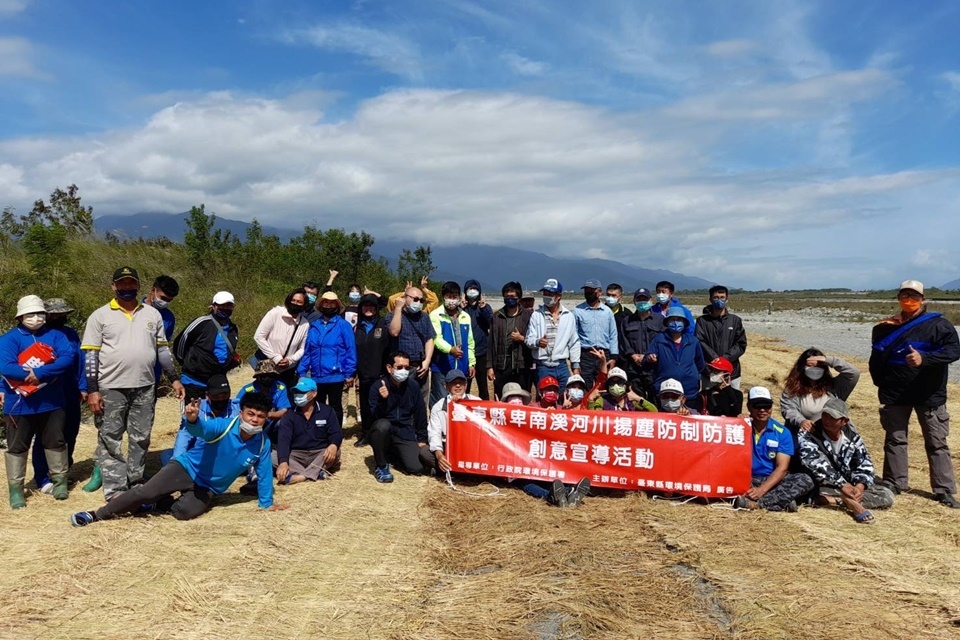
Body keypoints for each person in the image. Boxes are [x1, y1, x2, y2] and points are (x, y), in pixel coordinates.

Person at [70, 392, 286, 526]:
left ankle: (155, 504)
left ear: (266, 418)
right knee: (145, 491)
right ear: (241, 413)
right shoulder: (224, 425)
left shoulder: (262, 443)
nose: (255, 420)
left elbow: (265, 473)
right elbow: (203, 430)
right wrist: (192, 419)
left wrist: (266, 503)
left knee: (184, 513)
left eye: (260, 416)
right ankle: (97, 515)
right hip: (186, 468)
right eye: (251, 414)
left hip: (209, 487)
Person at [81, 267, 185, 500]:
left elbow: (162, 350)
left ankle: (135, 480)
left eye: (131, 284)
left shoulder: (152, 315)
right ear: (113, 286)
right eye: (122, 284)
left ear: (139, 286)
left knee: (141, 436)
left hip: (145, 386)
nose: (127, 288)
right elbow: (90, 356)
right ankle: (116, 490)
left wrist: (174, 378)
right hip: (111, 387)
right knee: (111, 437)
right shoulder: (100, 316)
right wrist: (92, 390)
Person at [870, 279, 960, 508]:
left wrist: (925, 359)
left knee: (937, 442)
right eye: (904, 296)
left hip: (929, 394)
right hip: (895, 394)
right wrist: (880, 383)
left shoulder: (940, 326)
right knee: (895, 439)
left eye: (914, 296)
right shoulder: (884, 327)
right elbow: (877, 359)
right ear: (899, 299)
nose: (908, 300)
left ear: (923, 300)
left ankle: (944, 490)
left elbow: (953, 351)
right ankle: (894, 482)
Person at [1, 296, 75, 508]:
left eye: (40, 313)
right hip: (18, 403)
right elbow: (5, 366)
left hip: (51, 401)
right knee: (17, 446)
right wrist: (28, 376)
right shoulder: (9, 339)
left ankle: (59, 482)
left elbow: (67, 358)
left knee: (56, 441)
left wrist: (40, 373)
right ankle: (16, 490)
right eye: (30, 314)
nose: (36, 318)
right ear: (21, 316)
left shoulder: (56, 335)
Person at [799, 397, 894, 524]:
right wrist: (843, 485)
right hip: (819, 484)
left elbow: (865, 464)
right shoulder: (808, 434)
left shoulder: (852, 436)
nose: (827, 420)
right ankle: (849, 502)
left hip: (845, 487)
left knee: (886, 495)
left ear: (844, 421)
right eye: (825, 415)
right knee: (803, 486)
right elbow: (814, 464)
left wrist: (859, 487)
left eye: (832, 417)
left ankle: (838, 500)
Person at [30, 298, 86, 494]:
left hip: (70, 391)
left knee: (70, 432)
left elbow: (80, 360)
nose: (61, 317)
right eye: (56, 314)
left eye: (63, 314)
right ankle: (42, 477)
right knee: (45, 434)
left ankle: (62, 472)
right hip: (46, 393)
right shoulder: (36, 335)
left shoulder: (70, 334)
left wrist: (83, 386)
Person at [734, 387, 814, 512]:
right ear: (749, 406)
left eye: (766, 406)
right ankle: (781, 501)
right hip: (745, 477)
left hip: (770, 479)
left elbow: (782, 468)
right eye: (757, 405)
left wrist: (762, 490)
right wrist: (735, 423)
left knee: (805, 479)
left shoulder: (782, 432)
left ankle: (758, 503)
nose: (762, 410)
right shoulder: (738, 426)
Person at [297, 291, 357, 428]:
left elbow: (350, 350)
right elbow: (308, 351)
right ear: (321, 305)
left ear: (336, 306)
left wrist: (349, 373)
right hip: (317, 376)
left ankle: (335, 434)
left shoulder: (343, 325)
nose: (328, 306)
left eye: (332, 304)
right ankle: (320, 433)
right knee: (318, 406)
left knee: (335, 406)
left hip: (336, 375)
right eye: (326, 303)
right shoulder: (314, 326)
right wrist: (302, 372)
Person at [368, 351, 429, 482]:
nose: (404, 371)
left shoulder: (413, 386)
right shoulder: (378, 386)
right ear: (389, 368)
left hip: (404, 432)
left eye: (407, 368)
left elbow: (420, 413)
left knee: (416, 468)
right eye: (399, 367)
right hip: (384, 431)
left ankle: (394, 456)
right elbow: (374, 416)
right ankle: (382, 465)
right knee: (382, 426)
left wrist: (422, 438)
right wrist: (382, 400)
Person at [173, 291, 240, 402]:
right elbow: (180, 344)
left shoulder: (233, 329)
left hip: (216, 383)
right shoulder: (202, 323)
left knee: (217, 415)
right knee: (193, 416)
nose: (225, 308)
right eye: (221, 305)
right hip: (194, 381)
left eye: (229, 305)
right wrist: (189, 364)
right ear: (213, 306)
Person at [274, 378, 343, 483]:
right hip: (296, 455)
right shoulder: (289, 415)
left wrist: (333, 445)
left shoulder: (327, 411)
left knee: (336, 451)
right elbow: (284, 440)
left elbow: (336, 433)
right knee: (272, 456)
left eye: (302, 392)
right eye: (296, 392)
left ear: (314, 393)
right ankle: (315, 473)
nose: (298, 395)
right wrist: (283, 462)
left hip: (319, 453)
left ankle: (301, 476)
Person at [161, 374, 240, 465]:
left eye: (224, 395)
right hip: (201, 455)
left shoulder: (238, 409)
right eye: (216, 396)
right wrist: (177, 463)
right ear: (207, 395)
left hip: (228, 456)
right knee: (167, 454)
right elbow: (184, 437)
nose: (220, 399)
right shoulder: (196, 410)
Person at [780, 348, 860, 433]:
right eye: (810, 366)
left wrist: (829, 360)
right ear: (802, 367)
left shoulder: (835, 387)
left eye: (818, 366)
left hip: (836, 434)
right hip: (807, 434)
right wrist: (801, 421)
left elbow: (853, 373)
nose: (814, 369)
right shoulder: (792, 389)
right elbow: (789, 410)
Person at [525, 278, 581, 393]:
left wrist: (575, 365)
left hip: (561, 365)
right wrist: (537, 342)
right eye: (545, 293)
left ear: (558, 296)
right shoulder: (537, 315)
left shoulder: (568, 316)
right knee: (546, 398)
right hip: (543, 365)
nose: (547, 296)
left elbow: (574, 342)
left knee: (566, 395)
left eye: (550, 294)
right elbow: (528, 339)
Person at [645, 307, 705, 412]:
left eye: (679, 320)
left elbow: (700, 364)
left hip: (689, 392)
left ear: (684, 323)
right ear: (667, 322)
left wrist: (692, 375)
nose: (676, 323)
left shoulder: (693, 341)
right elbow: (646, 360)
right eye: (672, 320)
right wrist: (650, 358)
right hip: (665, 393)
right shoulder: (659, 339)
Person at [386, 285, 436, 406]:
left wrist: (427, 360)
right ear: (405, 297)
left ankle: (421, 423)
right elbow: (394, 331)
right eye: (415, 299)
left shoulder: (424, 316)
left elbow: (429, 339)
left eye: (421, 300)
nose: (418, 303)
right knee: (402, 399)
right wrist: (398, 308)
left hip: (420, 365)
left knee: (422, 399)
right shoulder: (392, 315)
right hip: (402, 367)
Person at [253, 287, 310, 391]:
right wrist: (275, 357)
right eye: (293, 300)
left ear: (304, 305)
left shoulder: (304, 324)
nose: (295, 303)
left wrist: (290, 360)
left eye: (299, 302)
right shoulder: (275, 313)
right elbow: (259, 337)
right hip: (267, 367)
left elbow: (302, 348)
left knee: (283, 396)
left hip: (288, 369)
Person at [423, 369, 480, 473]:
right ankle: (448, 467)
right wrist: (439, 455)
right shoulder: (438, 406)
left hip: (470, 447)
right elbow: (434, 433)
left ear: (466, 385)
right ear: (446, 386)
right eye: (453, 383)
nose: (458, 385)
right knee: (425, 453)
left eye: (461, 382)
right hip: (448, 447)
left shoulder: (477, 402)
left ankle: (452, 470)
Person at [429, 281, 476, 406]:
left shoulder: (465, 316)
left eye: (455, 297)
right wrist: (450, 350)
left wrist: (471, 362)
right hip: (442, 367)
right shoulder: (435, 315)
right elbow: (436, 339)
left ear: (459, 298)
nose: (452, 300)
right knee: (441, 403)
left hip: (461, 367)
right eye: (449, 296)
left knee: (461, 404)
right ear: (443, 297)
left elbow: (470, 342)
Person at [354, 293, 391, 447]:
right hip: (363, 374)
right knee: (365, 405)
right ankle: (366, 434)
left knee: (380, 405)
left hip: (380, 374)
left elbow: (389, 349)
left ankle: (380, 434)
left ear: (376, 308)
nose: (368, 309)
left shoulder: (384, 324)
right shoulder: (357, 327)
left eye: (371, 306)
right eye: (365, 306)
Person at [487, 281, 533, 400]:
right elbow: (491, 342)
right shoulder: (497, 316)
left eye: (512, 296)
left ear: (519, 298)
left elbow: (533, 340)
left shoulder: (528, 316)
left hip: (522, 364)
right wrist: (490, 366)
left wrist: (522, 339)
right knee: (501, 398)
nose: (509, 299)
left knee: (522, 397)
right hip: (501, 364)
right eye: (507, 297)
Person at [695, 286, 747, 390]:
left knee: (732, 401)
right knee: (710, 402)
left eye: (722, 297)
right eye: (716, 297)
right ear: (710, 299)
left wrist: (725, 359)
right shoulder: (702, 321)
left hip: (732, 371)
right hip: (710, 370)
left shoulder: (735, 321)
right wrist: (715, 359)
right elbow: (699, 341)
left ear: (727, 299)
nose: (719, 300)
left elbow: (741, 344)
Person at [617, 287, 663, 398]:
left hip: (654, 368)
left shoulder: (660, 320)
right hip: (634, 369)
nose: (642, 302)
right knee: (636, 399)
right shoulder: (627, 321)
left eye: (645, 299)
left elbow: (663, 341)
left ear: (651, 301)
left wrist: (650, 356)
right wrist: (633, 355)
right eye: (639, 300)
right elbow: (623, 341)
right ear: (634, 302)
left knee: (656, 398)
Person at [573, 278, 618, 389]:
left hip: (603, 354)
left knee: (604, 386)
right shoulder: (577, 311)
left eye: (591, 290)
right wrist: (575, 361)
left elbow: (613, 335)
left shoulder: (607, 312)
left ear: (599, 292)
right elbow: (574, 336)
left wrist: (613, 357)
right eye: (586, 290)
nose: (588, 293)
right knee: (585, 387)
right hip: (586, 355)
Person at [238, 361, 292, 436]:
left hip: (270, 423)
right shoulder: (247, 390)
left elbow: (283, 410)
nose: (267, 378)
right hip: (250, 424)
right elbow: (236, 410)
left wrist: (266, 415)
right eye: (264, 376)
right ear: (258, 377)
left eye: (270, 376)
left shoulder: (280, 387)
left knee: (285, 421)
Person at [462, 279, 493, 400]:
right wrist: (461, 307)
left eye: (475, 289)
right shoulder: (462, 308)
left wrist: (484, 308)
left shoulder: (484, 307)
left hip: (481, 352)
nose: (472, 291)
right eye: (470, 289)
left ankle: (485, 411)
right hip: (465, 353)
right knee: (465, 385)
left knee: (483, 387)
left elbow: (491, 323)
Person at [587, 367, 656, 412]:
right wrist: (590, 400)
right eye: (612, 382)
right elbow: (594, 418)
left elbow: (654, 411)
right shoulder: (603, 400)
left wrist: (638, 398)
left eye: (619, 382)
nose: (616, 385)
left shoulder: (632, 401)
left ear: (626, 385)